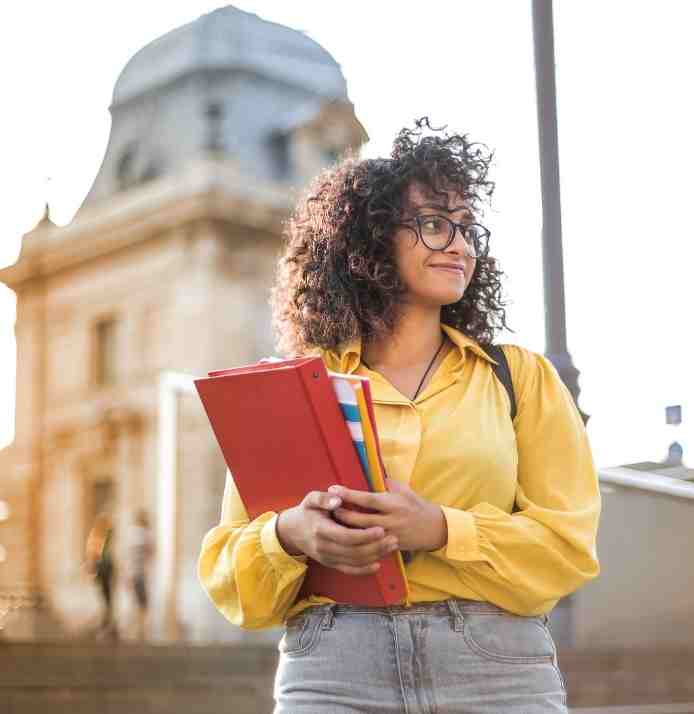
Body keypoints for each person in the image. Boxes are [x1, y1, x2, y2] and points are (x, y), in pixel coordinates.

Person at [198, 118, 601, 712]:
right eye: (436, 225)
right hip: (333, 671)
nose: (460, 245)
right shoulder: (292, 392)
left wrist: (440, 528)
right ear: (372, 240)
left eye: (467, 229)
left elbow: (568, 548)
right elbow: (233, 581)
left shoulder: (520, 379)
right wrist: (291, 534)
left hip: (496, 669)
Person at [85, 512, 117, 640]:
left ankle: (106, 621)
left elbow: (93, 553)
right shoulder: (106, 535)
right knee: (107, 597)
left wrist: (91, 567)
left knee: (105, 596)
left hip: (103, 567)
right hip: (107, 567)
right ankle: (107, 621)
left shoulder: (97, 536)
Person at [127, 509, 154, 640]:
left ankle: (137, 629)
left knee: (137, 601)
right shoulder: (146, 534)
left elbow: (128, 556)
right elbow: (151, 552)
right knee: (142, 602)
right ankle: (140, 629)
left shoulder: (132, 534)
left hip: (134, 572)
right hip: (141, 572)